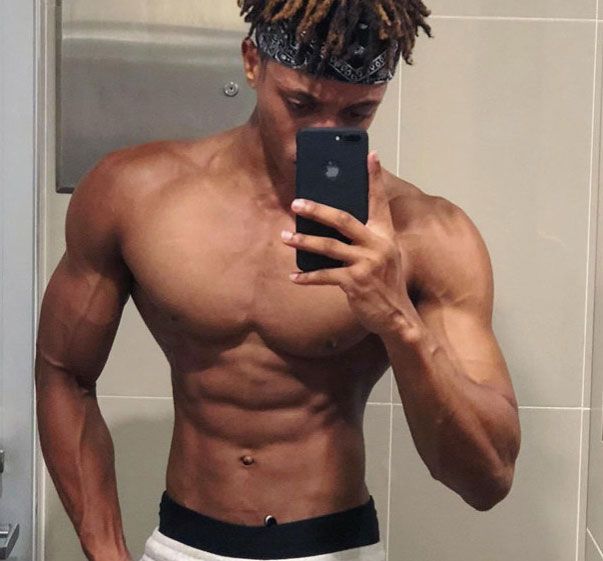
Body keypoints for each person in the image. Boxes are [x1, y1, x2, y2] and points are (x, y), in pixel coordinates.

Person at [34, 1, 522, 560]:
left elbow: (488, 478)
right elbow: (64, 373)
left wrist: (398, 321)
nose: (320, 133)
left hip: (335, 548)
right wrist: (105, 550)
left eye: (357, 113)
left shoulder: (428, 234)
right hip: (184, 545)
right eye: (300, 104)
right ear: (252, 62)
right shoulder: (135, 193)